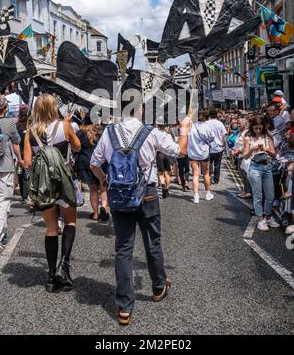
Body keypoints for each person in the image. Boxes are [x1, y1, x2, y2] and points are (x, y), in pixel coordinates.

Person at [90, 101, 191, 326]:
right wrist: (184, 128)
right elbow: (181, 151)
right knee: (152, 242)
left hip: (119, 195)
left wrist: (104, 180)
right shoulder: (150, 132)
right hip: (146, 193)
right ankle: (158, 287)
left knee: (123, 248)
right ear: (140, 109)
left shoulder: (109, 132)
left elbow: (94, 163)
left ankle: (124, 307)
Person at [24, 94, 81, 292]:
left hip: (44, 186)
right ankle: (63, 267)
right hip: (64, 183)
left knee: (50, 228)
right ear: (53, 108)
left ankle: (50, 276)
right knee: (70, 223)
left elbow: (28, 163)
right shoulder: (64, 126)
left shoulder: (30, 132)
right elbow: (77, 146)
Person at [0, 93, 23, 251]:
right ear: (4, 108)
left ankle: (2, 231)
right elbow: (16, 142)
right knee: (3, 200)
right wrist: (20, 159)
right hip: (4, 166)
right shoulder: (9, 122)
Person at [243, 116, 279, 232]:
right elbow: (245, 156)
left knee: (270, 195)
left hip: (267, 167)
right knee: (258, 196)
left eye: (260, 128)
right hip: (254, 168)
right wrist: (252, 149)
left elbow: (273, 154)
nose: (258, 130)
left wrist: (266, 149)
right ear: (252, 127)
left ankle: (268, 217)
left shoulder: (267, 137)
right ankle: (260, 219)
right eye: (255, 128)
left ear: (263, 127)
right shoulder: (248, 137)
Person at [75, 114, 109, 222]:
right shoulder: (102, 131)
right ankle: (103, 207)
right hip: (100, 162)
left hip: (85, 163)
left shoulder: (80, 133)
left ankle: (95, 214)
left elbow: (76, 148)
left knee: (93, 189)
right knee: (103, 187)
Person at [187, 110, 215, 204]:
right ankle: (208, 194)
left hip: (193, 153)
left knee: (195, 174)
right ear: (207, 117)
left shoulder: (191, 125)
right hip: (204, 153)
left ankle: (196, 196)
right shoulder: (207, 127)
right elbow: (212, 138)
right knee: (206, 174)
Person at [232, 118, 252, 199]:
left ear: (244, 124)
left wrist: (237, 151)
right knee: (243, 175)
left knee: (246, 175)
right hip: (239, 156)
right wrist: (233, 149)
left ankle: (248, 192)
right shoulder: (240, 132)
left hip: (245, 157)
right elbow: (237, 143)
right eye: (237, 123)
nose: (238, 125)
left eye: (239, 123)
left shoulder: (247, 133)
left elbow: (246, 145)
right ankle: (245, 190)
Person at [206, 109, 227, 184]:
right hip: (218, 148)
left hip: (208, 148)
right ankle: (216, 179)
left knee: (208, 163)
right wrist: (224, 145)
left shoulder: (206, 123)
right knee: (217, 164)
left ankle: (208, 176)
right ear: (216, 115)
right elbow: (223, 135)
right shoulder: (220, 123)